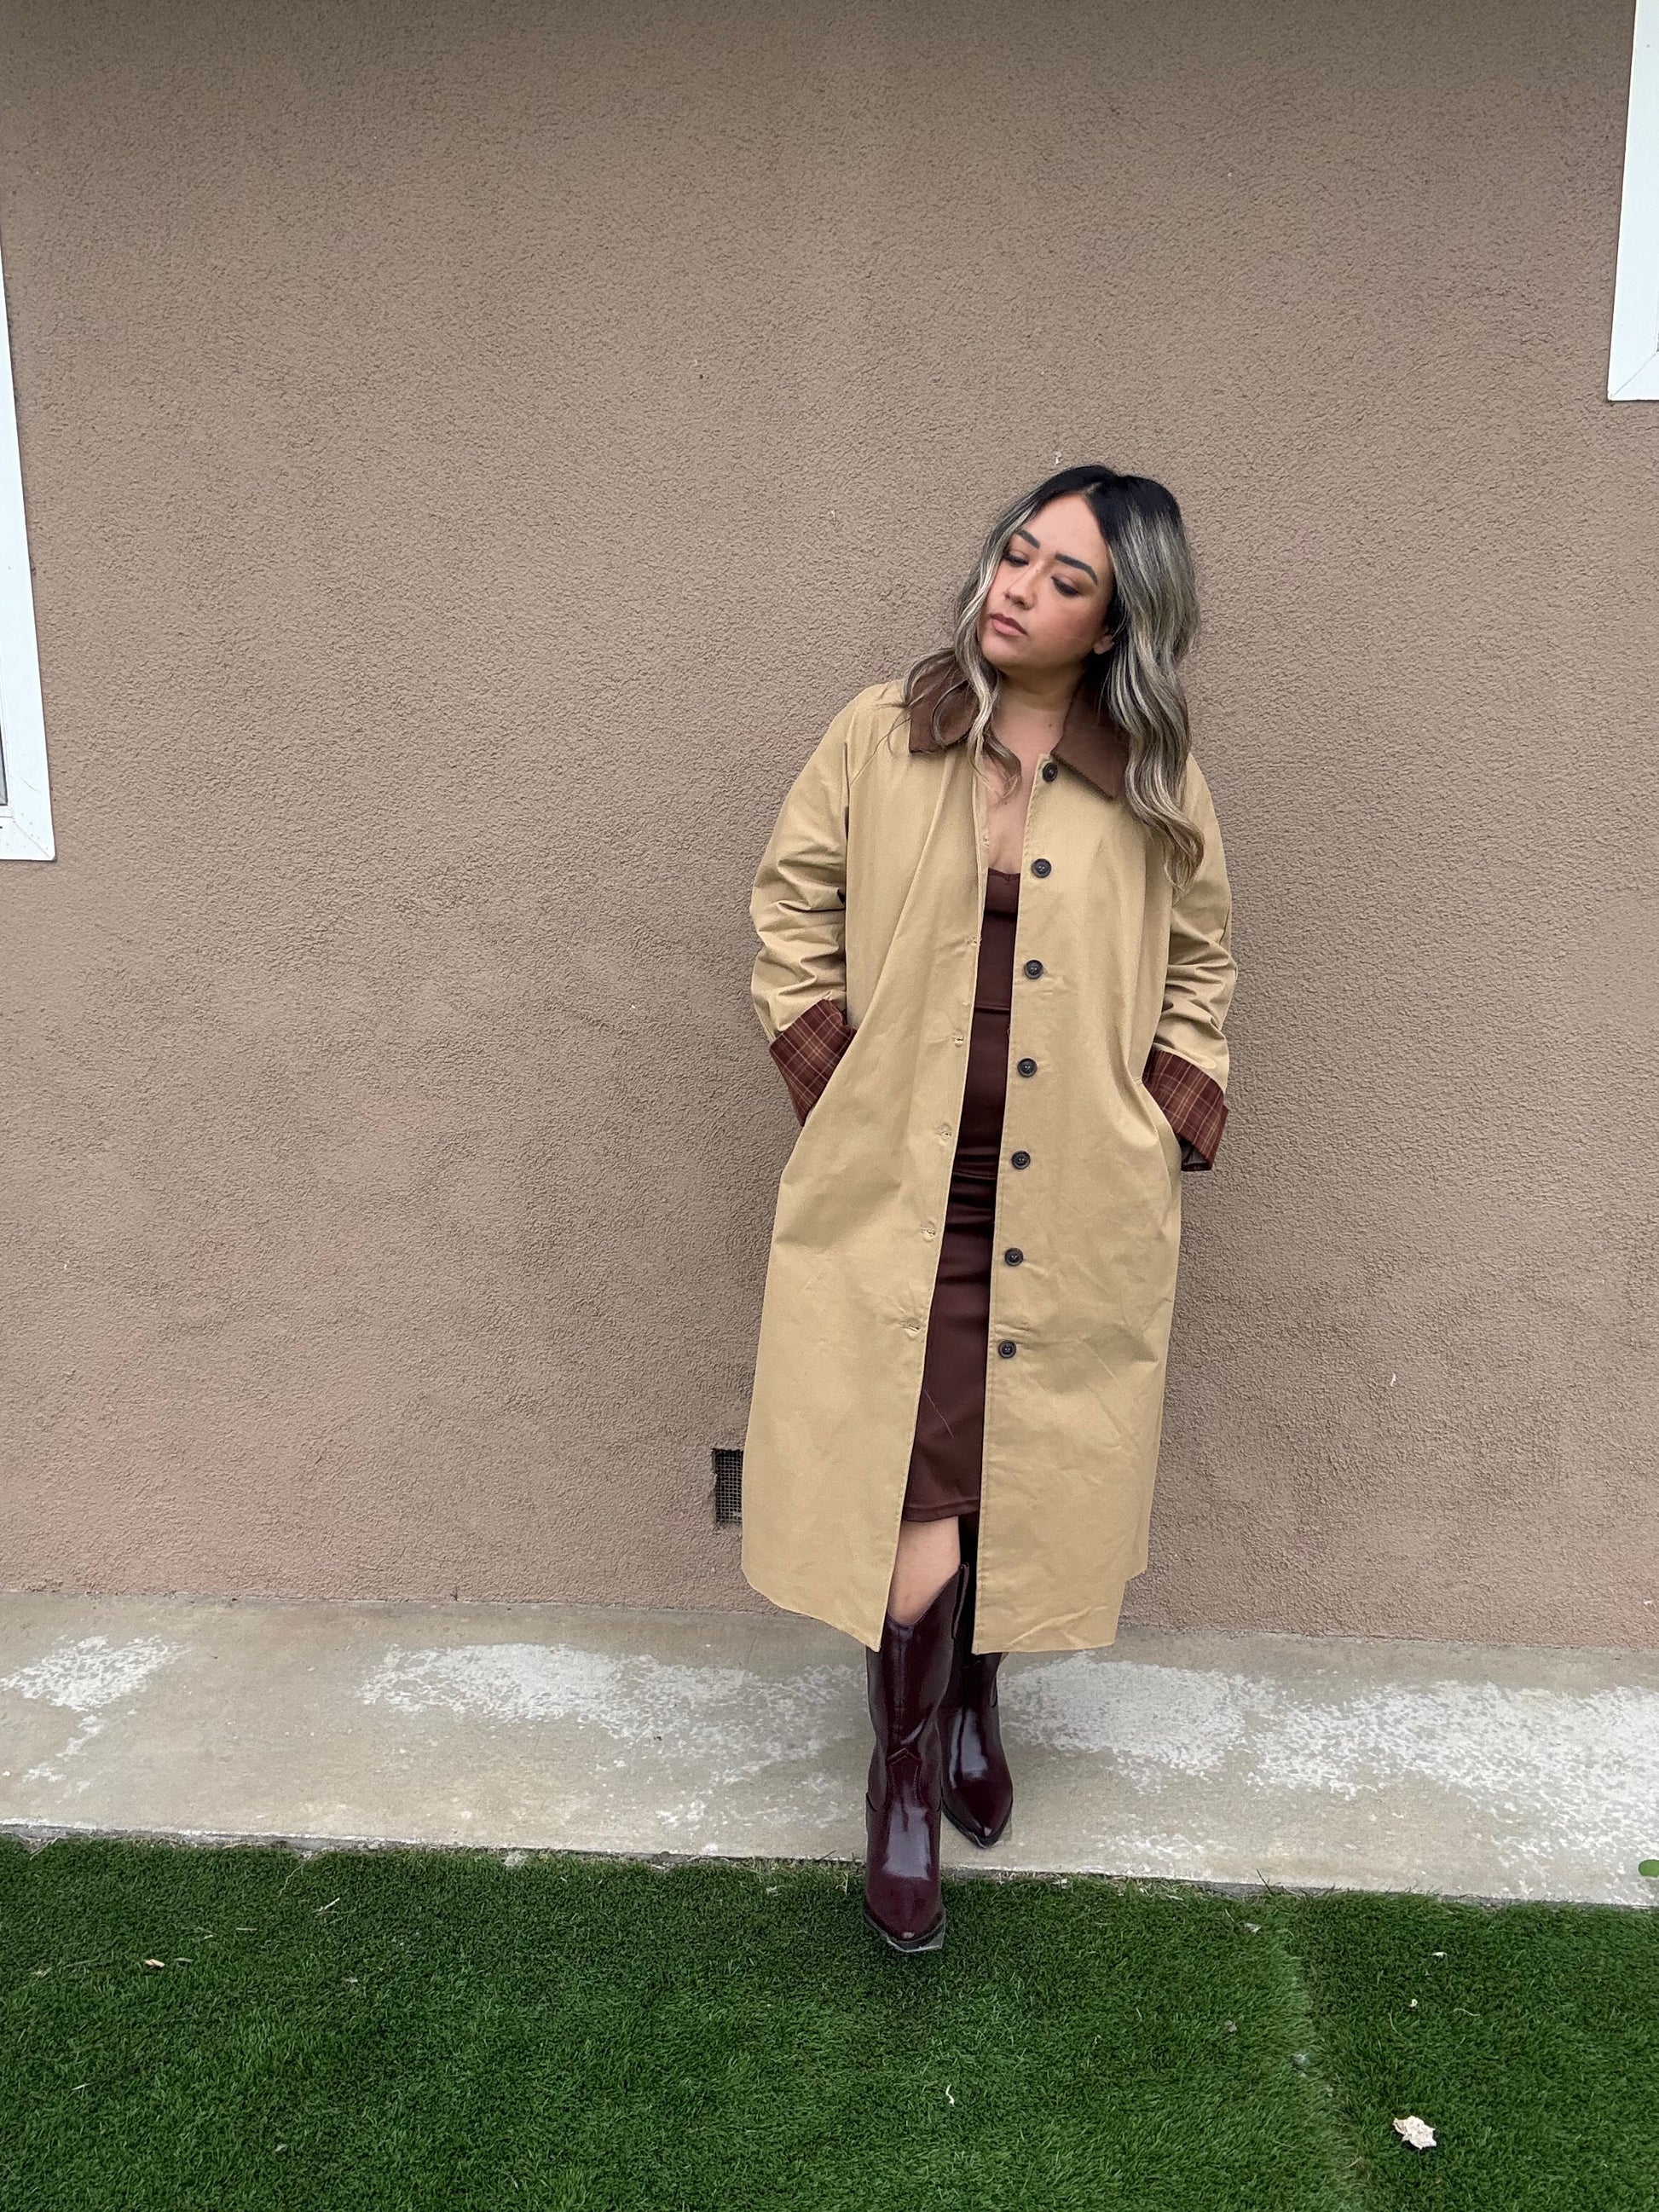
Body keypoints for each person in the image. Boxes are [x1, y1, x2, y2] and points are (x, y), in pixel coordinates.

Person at [742, 465, 1238, 1953]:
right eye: (1014, 555)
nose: (1015, 588)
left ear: (1116, 625)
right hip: (902, 1186)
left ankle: (972, 1702)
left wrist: (1162, 1119)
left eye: (1062, 578)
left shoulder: (1153, 778)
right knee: (916, 1476)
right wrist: (832, 1077)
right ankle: (902, 1778)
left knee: (1008, 1465)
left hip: (1067, 1191)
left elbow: (1201, 961)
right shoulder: (881, 730)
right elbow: (789, 905)